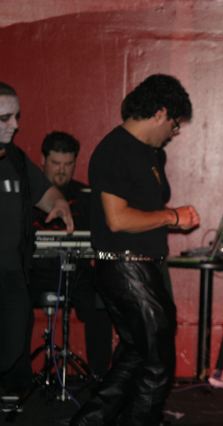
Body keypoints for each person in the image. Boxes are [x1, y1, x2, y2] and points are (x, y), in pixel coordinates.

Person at [70, 74, 200, 426]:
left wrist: (168, 218)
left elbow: (138, 212)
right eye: (174, 124)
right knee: (157, 362)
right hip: (126, 267)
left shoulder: (150, 153)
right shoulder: (116, 150)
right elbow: (117, 219)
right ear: (160, 113)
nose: (174, 132)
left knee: (136, 356)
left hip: (138, 267)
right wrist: (172, 216)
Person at [0, 82, 74, 396]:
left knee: (12, 343)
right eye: (5, 118)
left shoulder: (15, 159)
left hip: (12, 273)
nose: (15, 125)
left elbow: (46, 193)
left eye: (16, 116)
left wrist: (58, 203)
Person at [30, 131, 113, 377]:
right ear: (42, 160)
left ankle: (99, 376)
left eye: (68, 164)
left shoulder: (85, 196)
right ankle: (16, 377)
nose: (61, 170)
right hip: (35, 273)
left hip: (77, 274)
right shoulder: (28, 194)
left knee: (101, 300)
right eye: (56, 163)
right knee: (13, 299)